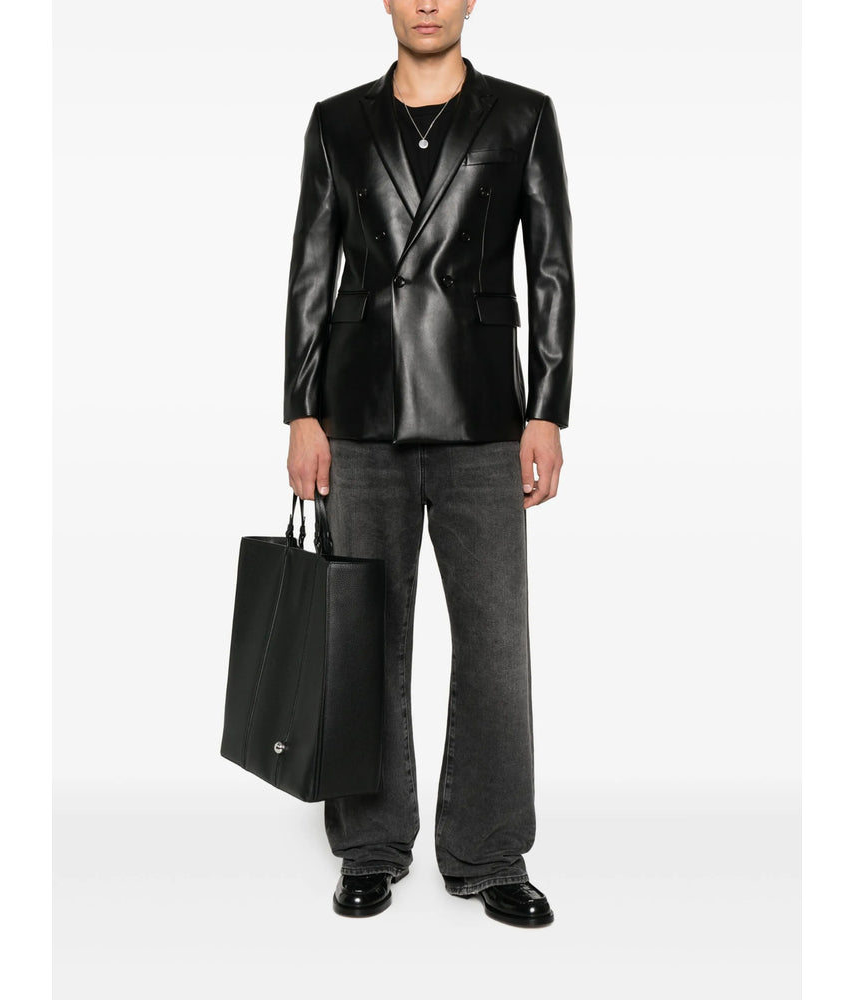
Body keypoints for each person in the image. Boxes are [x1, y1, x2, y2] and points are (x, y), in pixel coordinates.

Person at [283, 0, 574, 928]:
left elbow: (552, 271)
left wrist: (546, 409)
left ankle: (490, 851)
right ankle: (370, 846)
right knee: (364, 636)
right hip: (361, 413)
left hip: (483, 414)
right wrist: (301, 410)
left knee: (494, 642)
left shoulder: (522, 116)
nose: (426, 2)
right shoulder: (337, 122)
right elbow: (311, 270)